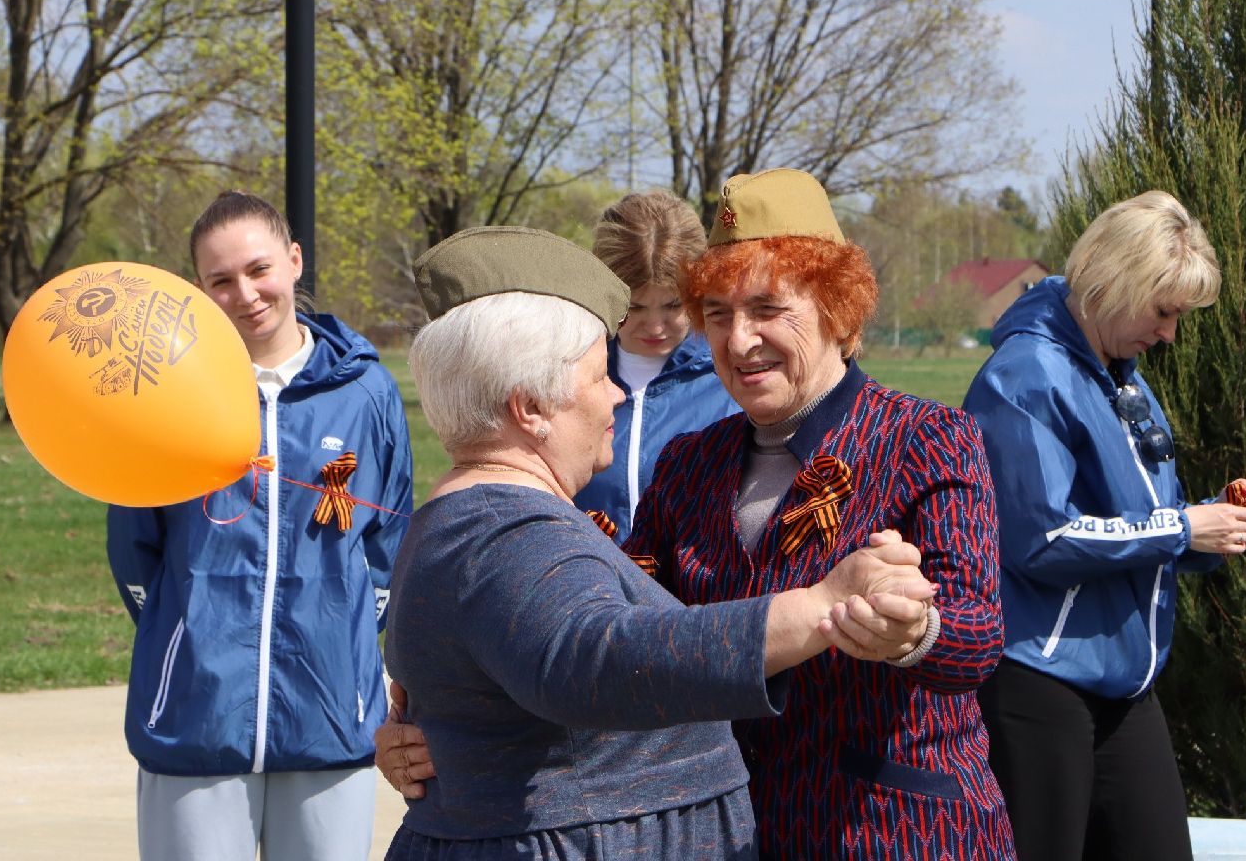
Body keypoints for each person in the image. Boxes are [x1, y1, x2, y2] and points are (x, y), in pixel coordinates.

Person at [380, 170, 1015, 860]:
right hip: (731, 832)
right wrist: (439, 719)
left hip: (885, 829)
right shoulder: (690, 462)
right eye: (716, 313)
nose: (739, 340)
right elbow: (623, 637)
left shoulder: (926, 439)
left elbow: (977, 638)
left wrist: (913, 629)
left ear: (838, 310)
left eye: (767, 309)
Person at [962, 190, 1246, 861]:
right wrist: (1180, 528)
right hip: (1037, 680)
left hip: (1121, 682)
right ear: (1112, 284)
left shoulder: (1120, 373)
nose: (1170, 333)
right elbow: (1040, 539)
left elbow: (1138, 512)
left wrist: (1217, 521)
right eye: (1164, 311)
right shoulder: (1024, 377)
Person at [106, 190, 413, 861]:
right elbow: (135, 550)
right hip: (196, 715)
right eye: (219, 280)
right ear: (197, 288)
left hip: (329, 715)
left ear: (294, 260)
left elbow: (390, 541)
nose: (244, 293)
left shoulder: (366, 391)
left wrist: (343, 641)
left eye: (258, 269)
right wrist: (189, 636)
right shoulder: (162, 395)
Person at [573, 191, 737, 542]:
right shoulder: (569, 376)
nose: (656, 326)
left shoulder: (732, 378)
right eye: (635, 308)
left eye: (672, 305)